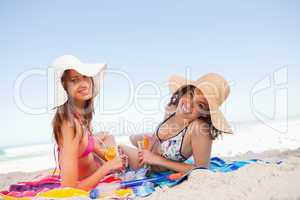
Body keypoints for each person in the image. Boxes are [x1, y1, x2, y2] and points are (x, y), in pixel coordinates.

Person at [120, 73, 233, 173]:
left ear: (205, 113)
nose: (189, 104)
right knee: (129, 138)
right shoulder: (172, 109)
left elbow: (202, 170)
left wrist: (158, 160)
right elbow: (156, 137)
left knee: (118, 148)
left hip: (149, 166)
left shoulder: (199, 128)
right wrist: (153, 141)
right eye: (191, 94)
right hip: (149, 152)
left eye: (200, 105)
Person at [51, 55, 127, 190]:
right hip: (94, 177)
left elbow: (93, 147)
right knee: (136, 157)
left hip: (98, 168)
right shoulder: (68, 124)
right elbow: (69, 189)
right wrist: (107, 167)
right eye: (74, 80)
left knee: (112, 140)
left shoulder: (80, 117)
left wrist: (110, 158)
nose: (84, 83)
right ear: (64, 88)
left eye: (85, 77)